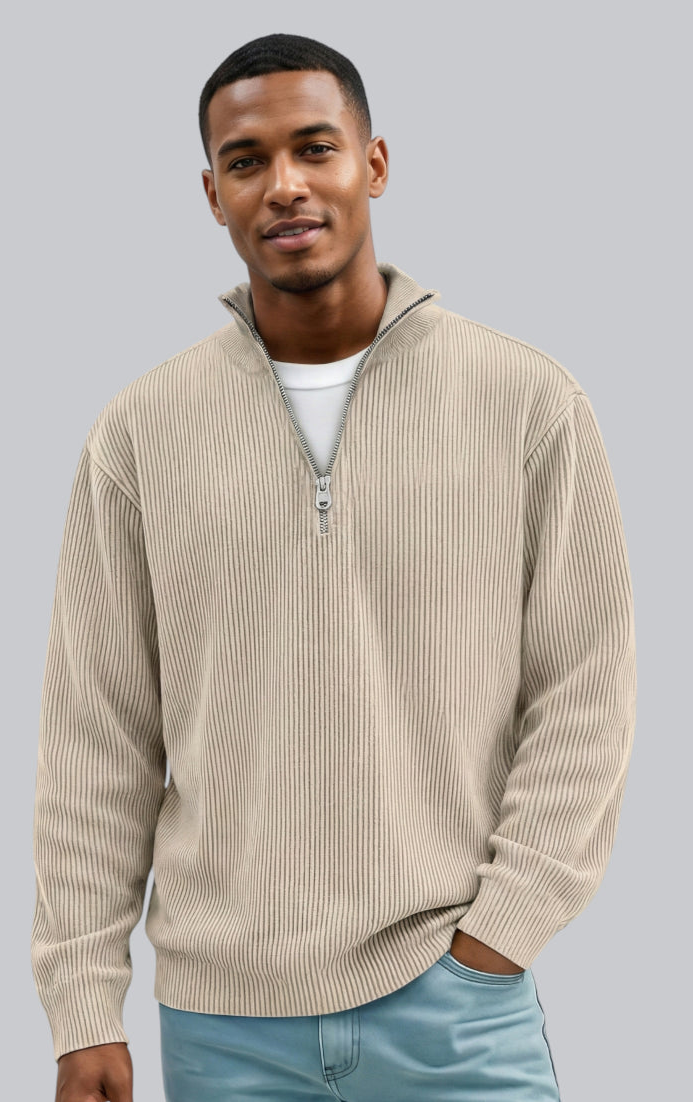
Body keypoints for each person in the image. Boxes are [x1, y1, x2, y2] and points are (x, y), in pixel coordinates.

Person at [31, 32, 637, 1102]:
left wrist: (502, 933)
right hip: (224, 1025)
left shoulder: (527, 403)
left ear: (375, 163)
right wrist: (83, 1004)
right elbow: (97, 736)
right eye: (246, 161)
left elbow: (585, 693)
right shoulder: (139, 434)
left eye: (315, 148)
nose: (285, 185)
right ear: (212, 194)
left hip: (457, 1007)